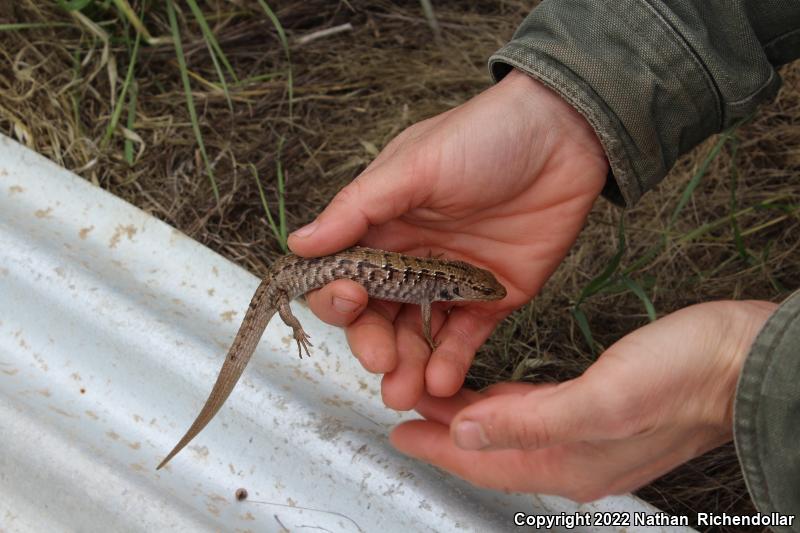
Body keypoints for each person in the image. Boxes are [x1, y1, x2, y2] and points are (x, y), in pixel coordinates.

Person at [288, 1, 800, 526]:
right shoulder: (431, 291)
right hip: (321, 272)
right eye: (478, 292)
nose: (486, 296)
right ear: (453, 290)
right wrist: (561, 106)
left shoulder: (433, 288)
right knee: (326, 291)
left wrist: (743, 370)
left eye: (480, 293)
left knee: (345, 300)